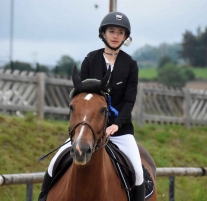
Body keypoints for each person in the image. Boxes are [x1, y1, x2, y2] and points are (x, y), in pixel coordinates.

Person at [38, 11, 144, 201]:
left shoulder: (130, 65)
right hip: (88, 128)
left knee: (137, 171)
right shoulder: (90, 60)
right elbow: (82, 97)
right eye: (111, 31)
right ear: (103, 33)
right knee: (54, 163)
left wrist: (116, 125)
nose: (115, 36)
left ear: (125, 37)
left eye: (120, 33)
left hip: (119, 132)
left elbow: (129, 101)